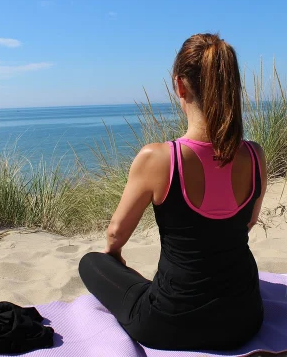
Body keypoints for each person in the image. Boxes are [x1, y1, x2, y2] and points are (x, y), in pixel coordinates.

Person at [78, 33, 267, 351]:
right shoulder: (255, 155)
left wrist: (115, 259)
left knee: (91, 261)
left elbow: (114, 236)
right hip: (245, 319)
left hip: (171, 324)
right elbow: (248, 222)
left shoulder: (158, 158)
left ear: (180, 86)